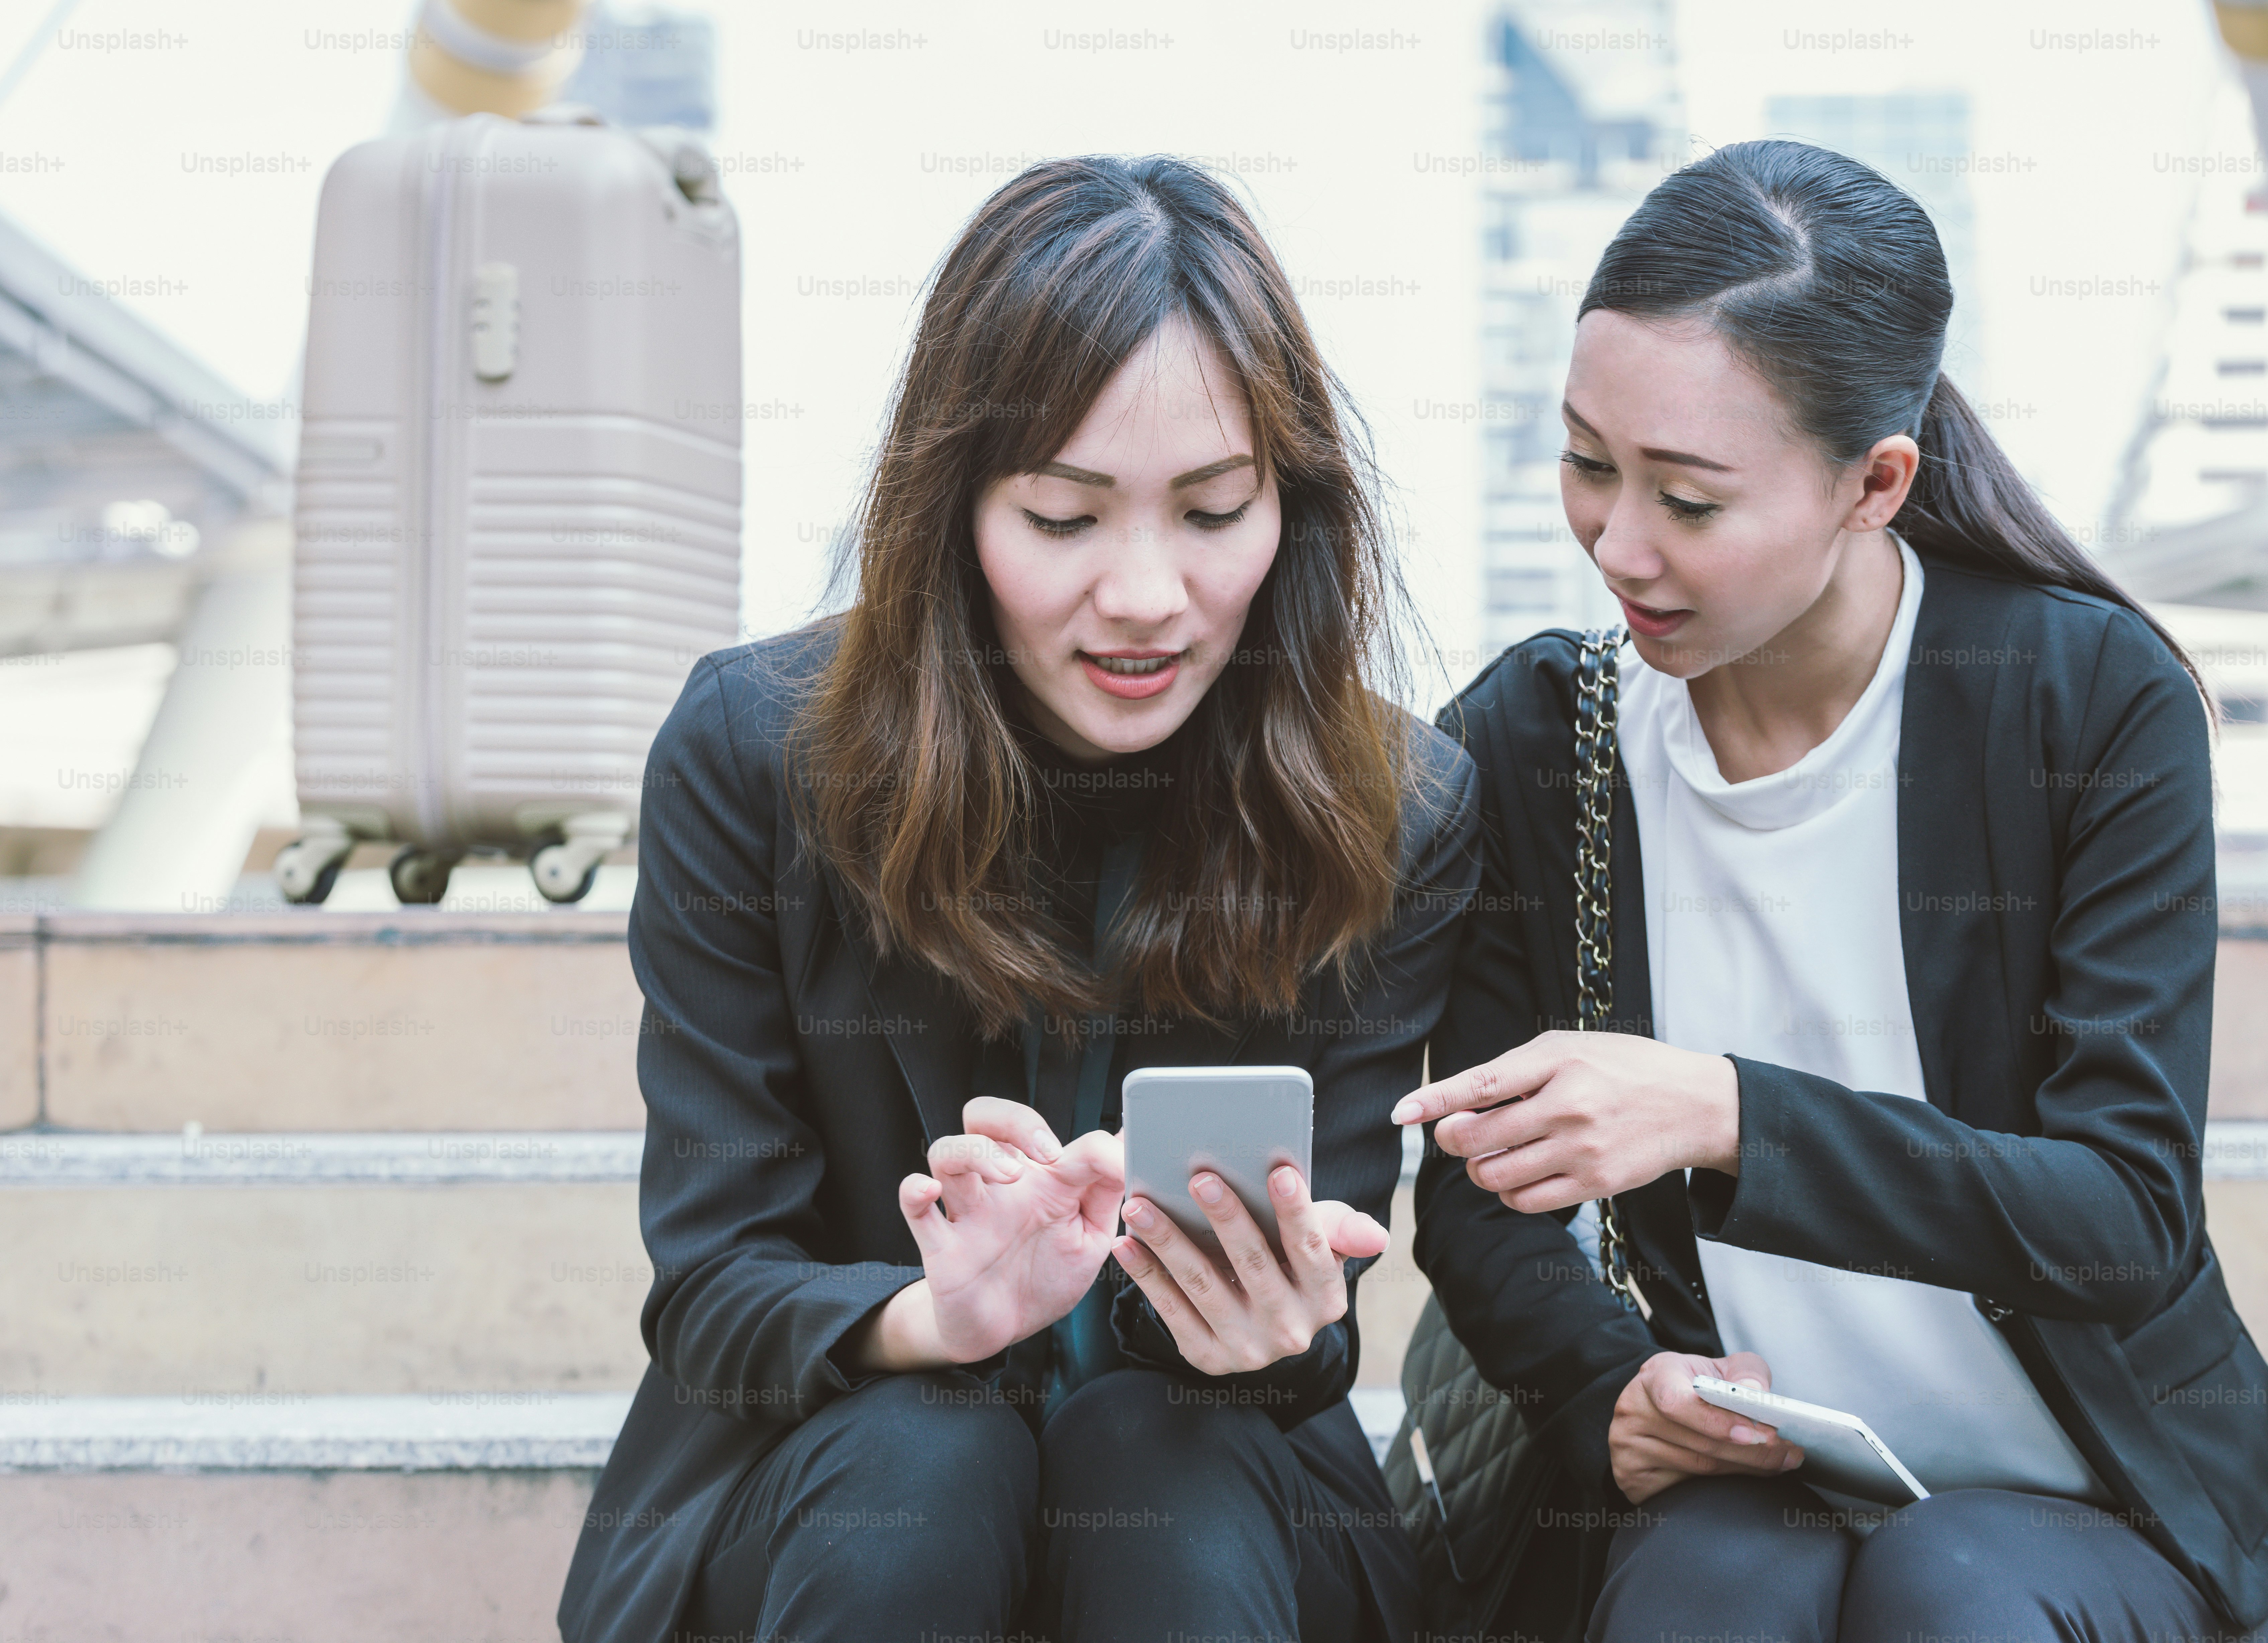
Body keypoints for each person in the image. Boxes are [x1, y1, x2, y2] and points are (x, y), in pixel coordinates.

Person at [556, 154, 1480, 1643]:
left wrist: (1269, 1327)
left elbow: (1311, 1337)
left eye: (1212, 512)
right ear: (953, 511)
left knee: (1153, 1461)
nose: (1144, 595)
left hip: (1210, 1497)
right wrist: (940, 1318)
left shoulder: (1394, 805)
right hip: (833, 1486)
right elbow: (717, 1292)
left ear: (1288, 512)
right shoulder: (755, 754)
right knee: (931, 1450)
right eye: (1063, 519)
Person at [1399, 139, 2268, 1642]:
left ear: (1876, 483)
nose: (1617, 543)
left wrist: (1725, 1111)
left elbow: (2121, 1214)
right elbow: (1486, 1192)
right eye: (1587, 464)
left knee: (1952, 1595)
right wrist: (1607, 1388)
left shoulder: (2081, 702)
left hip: (2094, 1487)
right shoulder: (1541, 739)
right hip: (1749, 1471)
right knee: (1708, 1586)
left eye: (1686, 497)